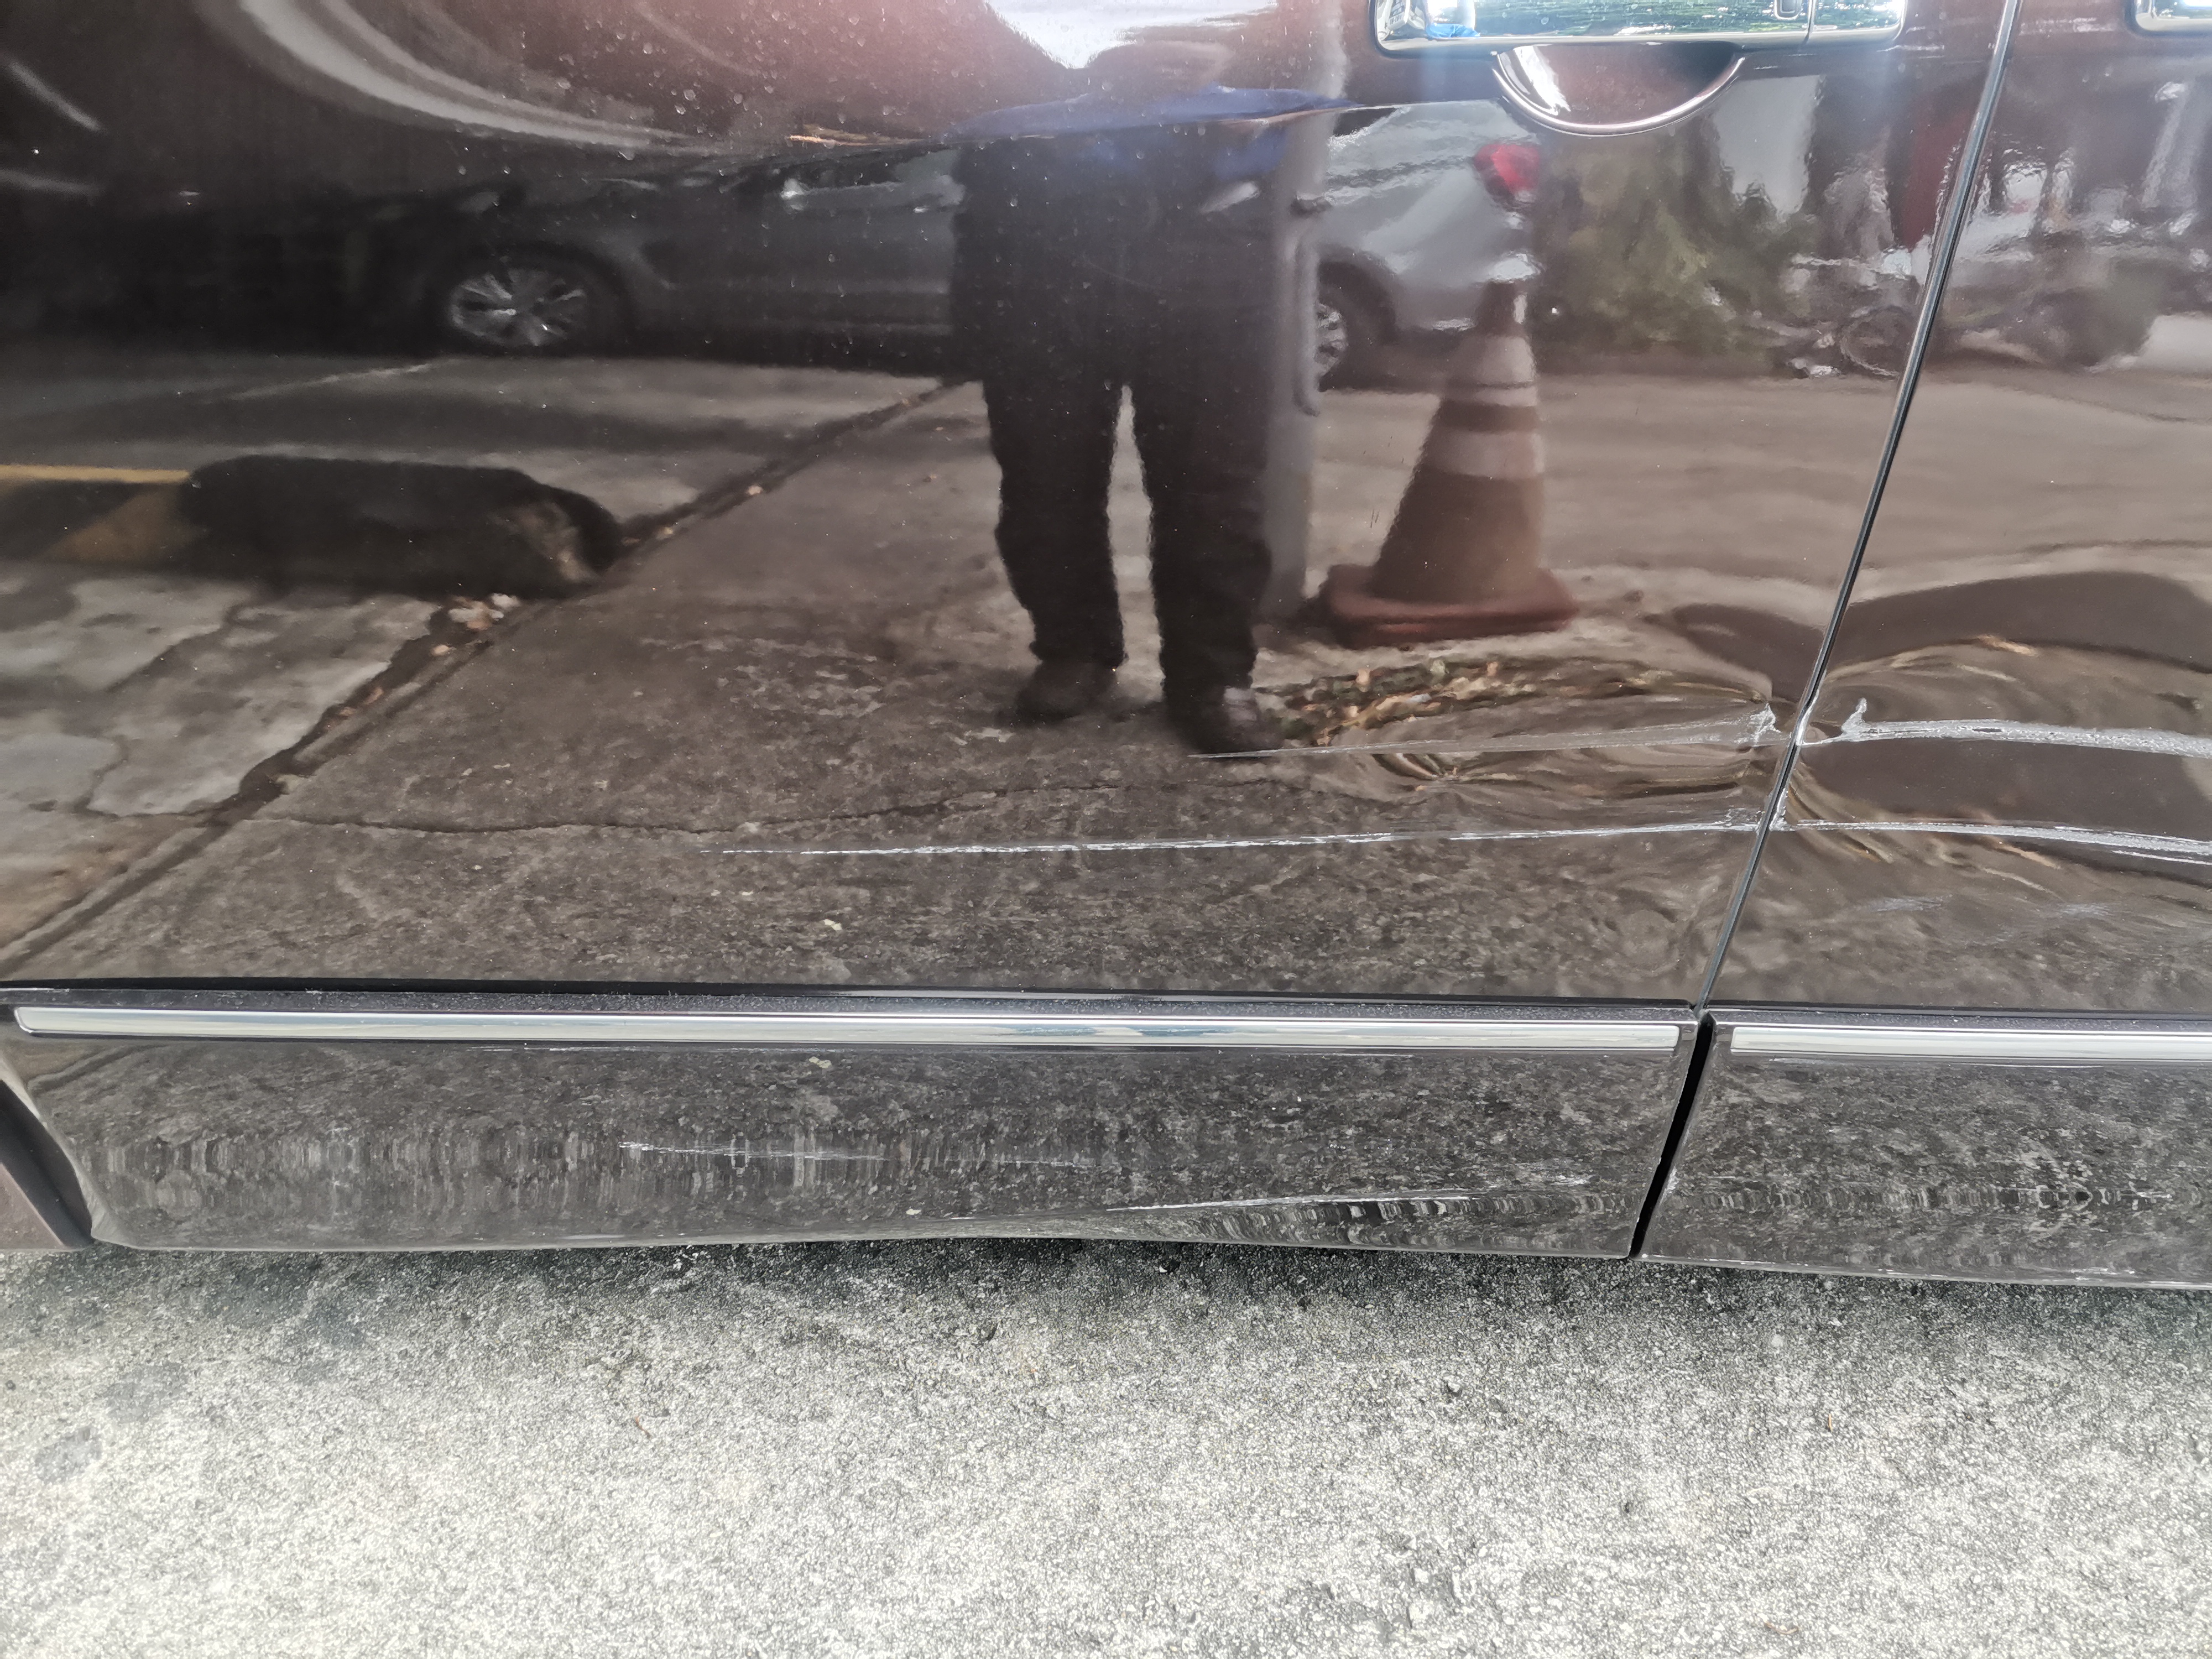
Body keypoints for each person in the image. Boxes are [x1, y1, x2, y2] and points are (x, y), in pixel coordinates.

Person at [947, 44, 1343, 754]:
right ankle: (1074, 651)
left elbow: (1313, 83)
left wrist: (1235, 112)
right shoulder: (1026, 90)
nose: (1168, 58)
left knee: (1213, 487)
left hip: (1208, 271)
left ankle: (1213, 679)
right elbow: (972, 151)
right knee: (1044, 480)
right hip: (1042, 270)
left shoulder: (1266, 87)